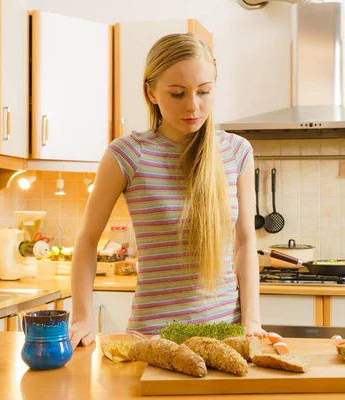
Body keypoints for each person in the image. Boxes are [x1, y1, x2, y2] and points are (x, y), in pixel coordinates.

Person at [68, 33, 266, 348]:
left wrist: (252, 320)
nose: (193, 106)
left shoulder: (237, 151)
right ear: (152, 93)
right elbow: (88, 239)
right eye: (177, 94)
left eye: (204, 92)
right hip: (153, 340)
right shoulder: (127, 155)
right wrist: (81, 317)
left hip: (226, 336)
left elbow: (245, 242)